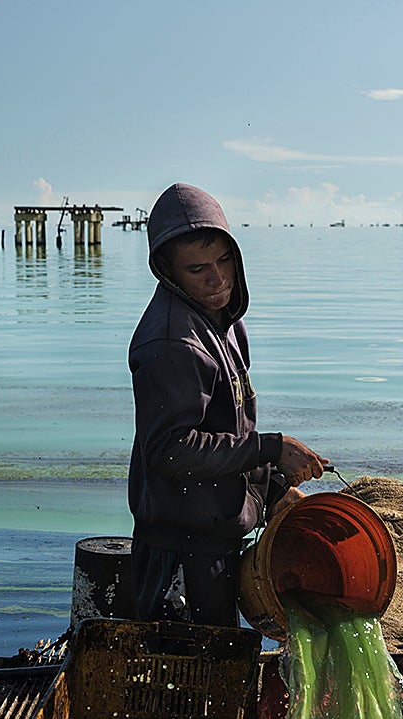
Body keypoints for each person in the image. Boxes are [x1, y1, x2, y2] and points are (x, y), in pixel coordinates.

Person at [127, 183, 328, 626]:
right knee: (188, 670)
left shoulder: (225, 323)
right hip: (179, 558)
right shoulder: (172, 343)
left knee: (226, 662)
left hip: (216, 539)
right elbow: (169, 451)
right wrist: (272, 448)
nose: (217, 279)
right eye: (198, 269)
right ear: (167, 270)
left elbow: (228, 434)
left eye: (224, 260)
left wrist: (272, 491)